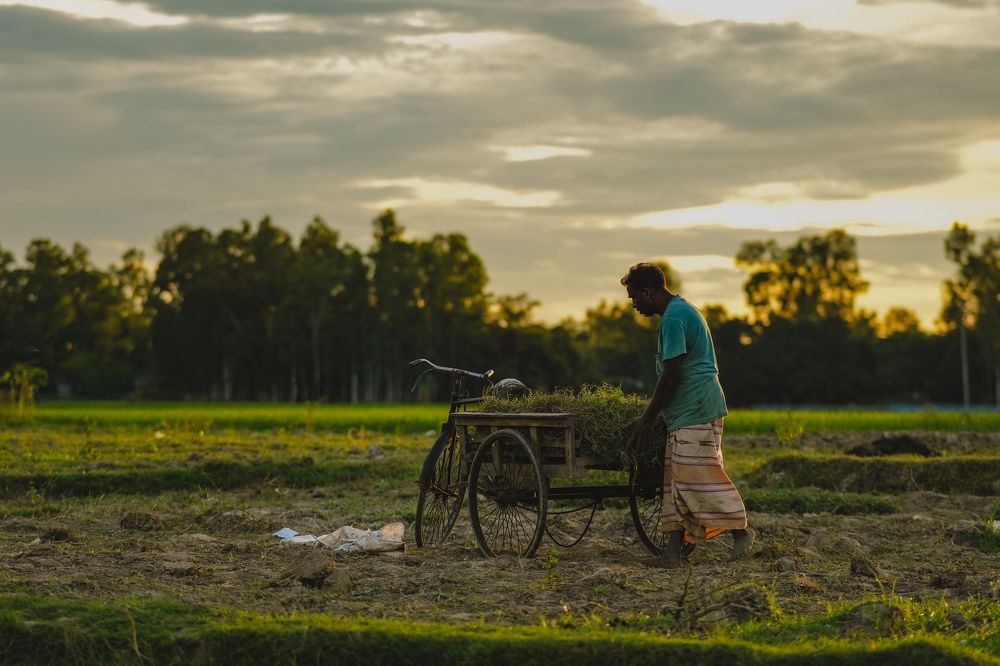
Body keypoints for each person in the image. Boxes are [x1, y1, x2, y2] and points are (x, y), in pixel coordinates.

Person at [622, 262, 753, 568]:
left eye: (634, 297)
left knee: (698, 477)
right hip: (687, 410)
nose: (634, 305)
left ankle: (742, 532)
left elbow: (671, 374)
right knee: (677, 481)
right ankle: (671, 554)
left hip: (696, 407)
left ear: (649, 291)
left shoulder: (674, 319)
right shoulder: (680, 311)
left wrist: (647, 417)